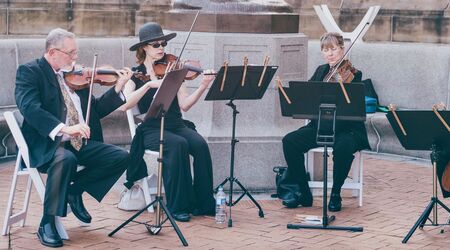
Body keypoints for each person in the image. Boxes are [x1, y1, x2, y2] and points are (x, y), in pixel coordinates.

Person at [14, 28, 132, 247]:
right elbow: (30, 108)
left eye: (75, 53)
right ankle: (47, 223)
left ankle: (73, 191)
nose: (75, 58)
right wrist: (64, 129)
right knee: (65, 159)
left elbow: (95, 110)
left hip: (78, 143)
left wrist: (118, 88)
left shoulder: (76, 77)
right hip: (48, 144)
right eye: (71, 53)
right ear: (52, 52)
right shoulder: (30, 72)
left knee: (120, 157)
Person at [118, 22, 216, 222]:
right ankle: (178, 205)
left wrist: (203, 86)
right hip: (152, 129)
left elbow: (185, 105)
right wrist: (148, 86)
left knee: (200, 145)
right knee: (178, 145)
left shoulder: (173, 69)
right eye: (156, 45)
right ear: (144, 47)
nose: (161, 48)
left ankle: (203, 203)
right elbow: (126, 105)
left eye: (163, 43)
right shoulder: (135, 75)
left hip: (176, 124)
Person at [280, 32, 370, 212]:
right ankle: (304, 193)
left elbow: (352, 104)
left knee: (343, 147)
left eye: (333, 49)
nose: (329, 54)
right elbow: (308, 96)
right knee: (289, 141)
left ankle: (335, 194)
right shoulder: (321, 71)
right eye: (325, 50)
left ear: (342, 49)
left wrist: (340, 83)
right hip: (322, 127)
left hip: (347, 129)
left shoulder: (354, 73)